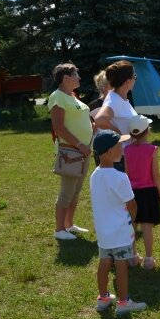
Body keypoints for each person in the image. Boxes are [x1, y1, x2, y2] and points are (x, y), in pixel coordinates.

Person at [90, 130, 146, 315]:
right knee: (121, 265)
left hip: (103, 233)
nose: (122, 148)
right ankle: (123, 303)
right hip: (120, 232)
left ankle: (103, 298)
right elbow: (132, 204)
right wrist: (133, 220)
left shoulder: (94, 175)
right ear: (108, 152)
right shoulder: (120, 177)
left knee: (104, 263)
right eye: (119, 145)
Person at [48, 63, 93, 241]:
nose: (79, 78)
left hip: (83, 151)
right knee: (67, 191)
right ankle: (59, 229)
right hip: (71, 151)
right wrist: (79, 144)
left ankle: (68, 225)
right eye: (76, 75)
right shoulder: (57, 97)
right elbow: (59, 127)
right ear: (66, 78)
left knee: (76, 190)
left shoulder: (71, 96)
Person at [124, 114, 160, 270]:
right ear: (147, 131)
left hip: (131, 192)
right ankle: (148, 258)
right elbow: (156, 175)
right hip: (148, 192)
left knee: (132, 224)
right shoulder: (152, 150)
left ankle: (133, 256)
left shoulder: (126, 150)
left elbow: (126, 174)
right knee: (147, 225)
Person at [94, 60, 138, 172]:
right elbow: (100, 120)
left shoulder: (121, 98)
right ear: (127, 81)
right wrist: (119, 134)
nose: (135, 80)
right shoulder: (114, 99)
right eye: (135, 76)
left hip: (125, 156)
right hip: (119, 160)